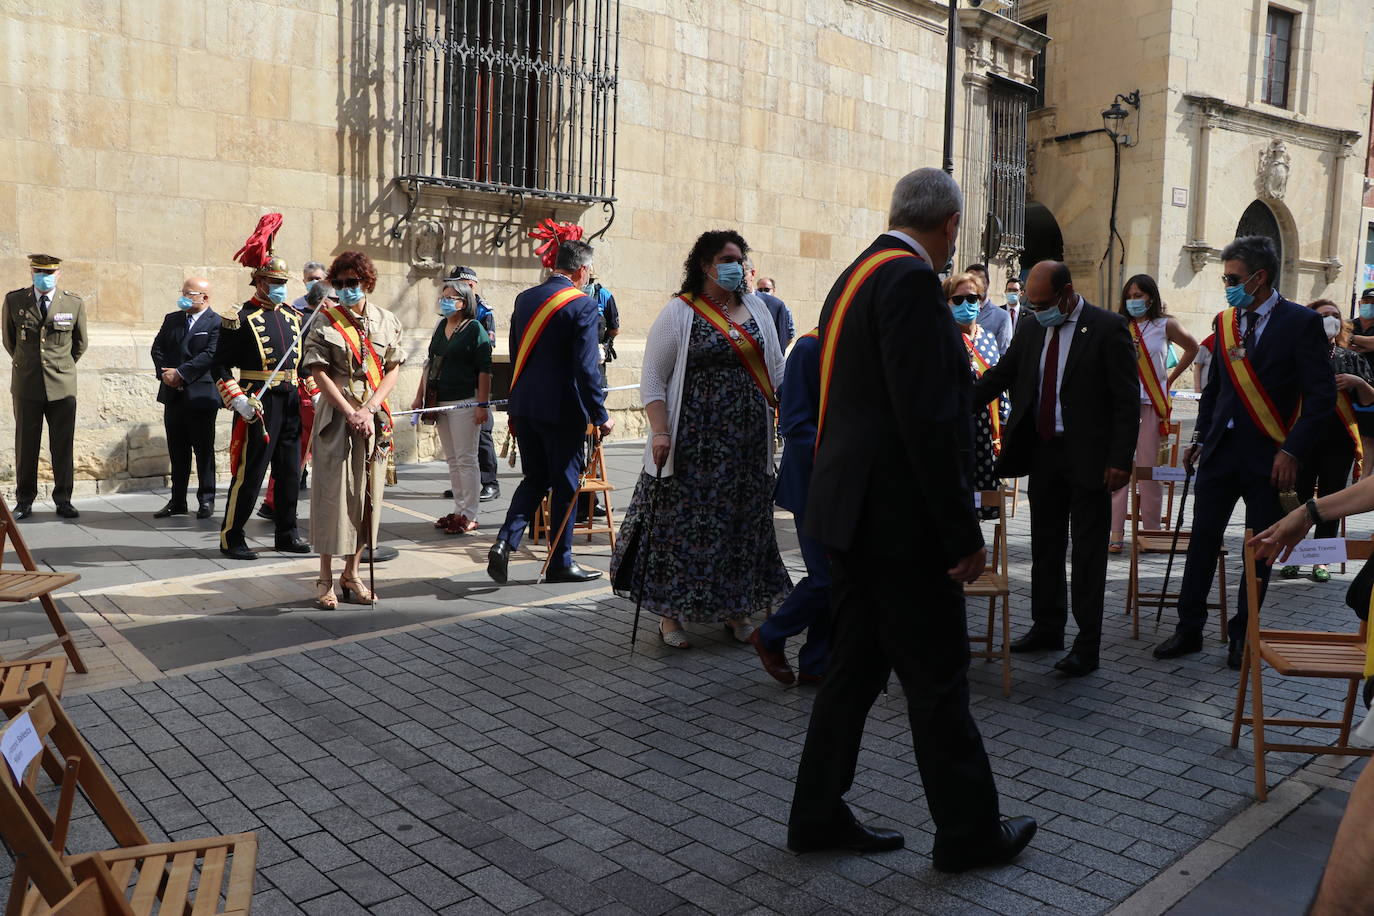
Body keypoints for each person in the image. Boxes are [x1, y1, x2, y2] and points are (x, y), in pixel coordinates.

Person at [788, 168, 1035, 867]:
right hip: (897, 525)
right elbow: (928, 421)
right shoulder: (908, 283)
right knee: (937, 678)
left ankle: (815, 814)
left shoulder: (858, 273)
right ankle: (969, 834)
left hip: (853, 515)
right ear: (951, 224)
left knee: (854, 673)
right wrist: (961, 534)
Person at [1153, 236, 1336, 668]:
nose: (1227, 285)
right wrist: (1199, 438)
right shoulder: (1227, 321)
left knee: (1258, 549)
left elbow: (1321, 398)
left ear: (1260, 277)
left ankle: (1242, 635)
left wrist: (1292, 451)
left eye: (1233, 278)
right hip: (1220, 453)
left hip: (1270, 459)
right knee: (1201, 543)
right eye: (1224, 277)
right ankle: (1189, 629)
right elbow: (1215, 389)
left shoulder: (1299, 322)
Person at [611, 229, 789, 648]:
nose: (738, 266)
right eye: (729, 259)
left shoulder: (757, 308)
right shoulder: (680, 311)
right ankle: (670, 618)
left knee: (741, 526)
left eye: (741, 259)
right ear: (707, 266)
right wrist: (659, 431)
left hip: (747, 446)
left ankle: (736, 609)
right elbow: (654, 376)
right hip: (693, 445)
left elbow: (777, 369)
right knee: (682, 528)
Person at [972, 261, 1138, 677]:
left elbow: (1125, 400)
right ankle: (1047, 627)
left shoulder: (1106, 327)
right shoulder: (1030, 328)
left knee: (1086, 553)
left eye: (1044, 302)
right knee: (1045, 546)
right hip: (1044, 452)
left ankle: (1087, 645)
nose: (1036, 308)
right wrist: (954, 404)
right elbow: (1003, 375)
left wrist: (1120, 459)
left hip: (1089, 457)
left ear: (1067, 293)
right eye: (1031, 301)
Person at [487, 238, 613, 585]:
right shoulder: (583, 306)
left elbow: (515, 355)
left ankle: (504, 542)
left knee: (535, 478)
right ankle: (561, 561)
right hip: (562, 410)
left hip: (525, 405)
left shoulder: (525, 298)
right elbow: (587, 369)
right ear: (582, 270)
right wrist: (601, 415)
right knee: (566, 485)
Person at [301, 251, 405, 608]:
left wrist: (370, 408)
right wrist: (350, 411)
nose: (345, 289)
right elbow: (318, 371)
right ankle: (325, 578)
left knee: (366, 499)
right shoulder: (325, 321)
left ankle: (352, 574)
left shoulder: (387, 320)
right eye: (340, 283)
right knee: (333, 498)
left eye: (352, 283)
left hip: (372, 419)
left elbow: (392, 368)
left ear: (367, 283)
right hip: (336, 418)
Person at [212, 215, 313, 561]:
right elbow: (219, 365)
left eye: (282, 281)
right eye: (272, 281)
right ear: (258, 281)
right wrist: (236, 398)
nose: (279, 286)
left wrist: (311, 389)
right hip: (258, 401)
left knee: (289, 471)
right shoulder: (239, 319)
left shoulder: (293, 317)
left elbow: (299, 364)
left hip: (290, 401)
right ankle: (232, 535)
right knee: (250, 472)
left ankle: (287, 532)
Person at [749, 327, 829, 685]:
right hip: (813, 483)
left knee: (836, 577)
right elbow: (796, 423)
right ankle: (770, 635)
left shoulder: (857, 346)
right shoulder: (809, 349)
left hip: (843, 484)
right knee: (828, 578)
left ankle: (816, 662)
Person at [1274, 300, 1374, 583]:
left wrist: (1358, 383)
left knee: (1331, 499)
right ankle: (1294, 556)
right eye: (1322, 316)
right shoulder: (1294, 355)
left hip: (1338, 441)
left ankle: (1322, 559)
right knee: (1298, 498)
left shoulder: (1351, 358)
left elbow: (1369, 400)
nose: (1329, 320)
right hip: (1302, 440)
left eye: (1334, 316)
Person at [1107, 274, 1199, 552]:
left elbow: (1193, 348)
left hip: (1152, 405)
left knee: (1149, 469)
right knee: (1119, 466)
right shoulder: (1120, 325)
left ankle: (1151, 531)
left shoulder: (1165, 324)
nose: (1134, 301)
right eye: (1130, 296)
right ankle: (1115, 531)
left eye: (1140, 295)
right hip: (1122, 406)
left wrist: (1170, 380)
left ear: (1151, 297)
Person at [2, 254, 86, 520]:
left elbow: (80, 343)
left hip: (62, 386)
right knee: (26, 445)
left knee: (62, 444)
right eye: (38, 271)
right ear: (31, 272)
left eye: (49, 272)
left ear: (58, 274)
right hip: (27, 384)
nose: (44, 276)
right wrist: (30, 365)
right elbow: (9, 340)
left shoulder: (73, 303)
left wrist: (60, 366)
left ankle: (64, 499)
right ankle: (24, 500)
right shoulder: (14, 300)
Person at [413, 280, 492, 536]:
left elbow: (484, 370)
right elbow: (430, 364)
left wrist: (482, 404)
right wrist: (419, 397)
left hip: (464, 402)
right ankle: (459, 509)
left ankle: (470, 514)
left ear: (464, 301)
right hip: (440, 401)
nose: (445, 301)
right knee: (452, 459)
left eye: (451, 297)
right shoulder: (440, 327)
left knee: (466, 458)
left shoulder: (474, 329)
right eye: (443, 296)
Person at [150, 277, 222, 520]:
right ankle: (177, 500)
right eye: (183, 292)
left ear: (205, 298)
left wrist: (182, 373)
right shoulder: (173, 319)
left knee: (203, 450)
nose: (185, 297)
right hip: (173, 395)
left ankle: (206, 498)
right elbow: (157, 348)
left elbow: (211, 355)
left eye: (190, 294)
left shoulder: (217, 323)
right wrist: (166, 374)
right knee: (177, 450)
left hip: (201, 396)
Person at [259, 279, 333, 519]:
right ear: (325, 301)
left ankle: (274, 502)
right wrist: (316, 390)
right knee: (301, 451)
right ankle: (273, 502)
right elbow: (304, 364)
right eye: (336, 299)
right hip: (310, 393)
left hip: (319, 392)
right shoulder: (306, 322)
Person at [947, 271, 1008, 516]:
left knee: (980, 498)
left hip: (986, 430)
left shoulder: (988, 338)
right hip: (955, 428)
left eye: (972, 299)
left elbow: (999, 380)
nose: (966, 305)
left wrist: (1004, 418)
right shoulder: (944, 337)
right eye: (958, 300)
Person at [448, 266, 500, 502]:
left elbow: (486, 349)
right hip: (455, 384)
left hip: (476, 382)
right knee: (460, 444)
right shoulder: (452, 311)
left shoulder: (483, 311)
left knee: (482, 435)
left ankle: (490, 482)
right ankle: (464, 484)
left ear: (470, 285)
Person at [1347, 287, 1374, 478]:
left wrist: (1350, 339)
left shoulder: (1346, 329)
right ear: (1359, 304)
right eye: (1366, 302)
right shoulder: (1350, 323)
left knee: (1367, 437)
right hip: (1347, 389)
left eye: (1373, 303)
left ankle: (1363, 479)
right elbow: (1338, 344)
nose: (1369, 306)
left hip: (1370, 389)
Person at [967, 263, 1012, 353]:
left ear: (987, 284)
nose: (975, 285)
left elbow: (1002, 353)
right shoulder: (955, 311)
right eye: (971, 281)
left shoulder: (1002, 317)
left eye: (980, 281)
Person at [749, 264, 794, 351]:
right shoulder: (751, 306)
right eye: (760, 290)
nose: (763, 292)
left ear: (773, 290)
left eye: (766, 290)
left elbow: (789, 336)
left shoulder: (782, 308)